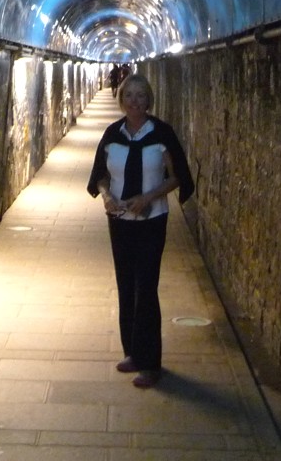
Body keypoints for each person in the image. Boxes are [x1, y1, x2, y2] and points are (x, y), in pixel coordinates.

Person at [86, 74, 195, 388]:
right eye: (129, 96)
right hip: (120, 222)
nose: (134, 101)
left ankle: (151, 362)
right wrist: (107, 197)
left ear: (149, 100)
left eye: (140, 96)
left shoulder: (161, 134)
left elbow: (178, 177)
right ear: (121, 100)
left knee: (146, 287)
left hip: (151, 220)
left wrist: (149, 197)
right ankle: (132, 351)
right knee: (125, 284)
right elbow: (101, 175)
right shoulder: (112, 134)